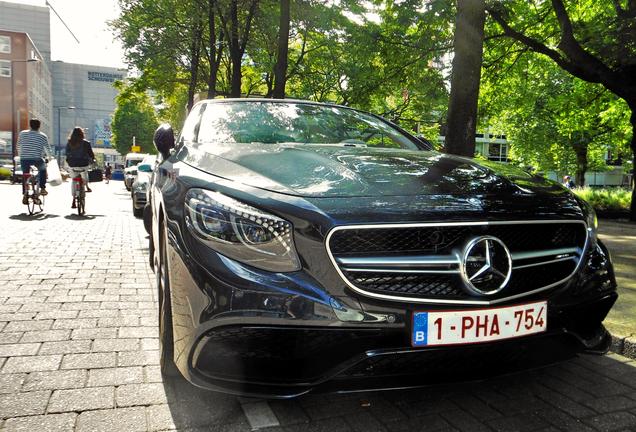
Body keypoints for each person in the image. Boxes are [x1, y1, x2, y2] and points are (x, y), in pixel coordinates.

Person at [17, 118, 53, 204]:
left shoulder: (22, 133)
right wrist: (50, 158)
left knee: (25, 175)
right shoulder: (42, 136)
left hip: (24, 159)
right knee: (43, 169)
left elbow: (18, 146)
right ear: (39, 126)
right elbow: (48, 149)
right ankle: (43, 188)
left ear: (30, 125)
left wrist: (20, 156)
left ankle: (25, 194)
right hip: (37, 159)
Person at [65, 127, 96, 208]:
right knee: (84, 177)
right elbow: (91, 155)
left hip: (72, 165)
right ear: (82, 134)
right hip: (83, 164)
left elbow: (66, 153)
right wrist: (93, 160)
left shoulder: (69, 143)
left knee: (74, 179)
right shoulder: (86, 143)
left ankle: (73, 199)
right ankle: (86, 185)